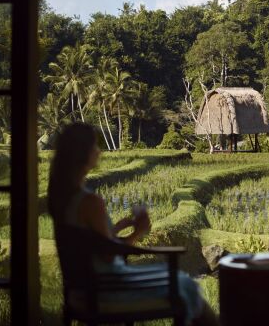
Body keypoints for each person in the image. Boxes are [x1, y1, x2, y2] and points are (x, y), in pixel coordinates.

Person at [48, 122, 218, 326]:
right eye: (95, 146)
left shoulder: (63, 198)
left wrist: (116, 228)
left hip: (82, 288)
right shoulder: (90, 202)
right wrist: (139, 231)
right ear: (82, 153)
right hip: (106, 288)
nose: (98, 151)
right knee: (186, 284)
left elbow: (93, 244)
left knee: (180, 281)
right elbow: (109, 254)